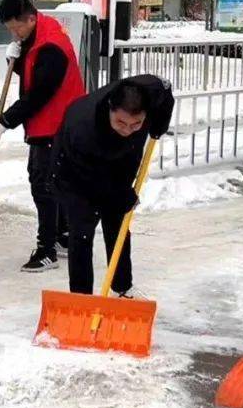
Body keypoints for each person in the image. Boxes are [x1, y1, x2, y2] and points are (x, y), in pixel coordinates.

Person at [51, 76, 174, 297]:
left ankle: (122, 287)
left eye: (136, 124)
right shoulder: (83, 129)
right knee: (82, 232)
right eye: (121, 122)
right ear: (110, 108)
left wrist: (158, 127)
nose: (128, 129)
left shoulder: (152, 91)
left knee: (118, 225)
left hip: (119, 163)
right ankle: (81, 299)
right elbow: (95, 180)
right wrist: (125, 196)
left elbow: (166, 97)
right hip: (74, 173)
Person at [0, 0, 86, 272]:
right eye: (10, 28)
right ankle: (63, 237)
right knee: (53, 183)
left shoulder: (51, 46)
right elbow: (34, 72)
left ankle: (47, 250)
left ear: (31, 18)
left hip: (55, 125)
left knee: (43, 186)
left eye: (16, 27)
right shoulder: (40, 34)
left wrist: (6, 120)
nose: (14, 33)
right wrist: (19, 60)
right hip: (52, 123)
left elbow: (40, 94)